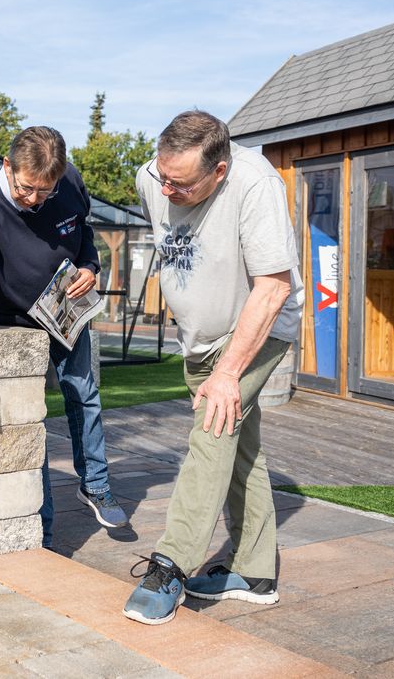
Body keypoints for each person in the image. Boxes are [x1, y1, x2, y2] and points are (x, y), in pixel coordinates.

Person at [123, 110, 303, 625]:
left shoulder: (256, 185)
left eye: (180, 184)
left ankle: (171, 565)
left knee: (212, 429)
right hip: (199, 341)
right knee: (240, 448)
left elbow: (273, 287)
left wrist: (227, 373)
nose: (166, 190)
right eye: (162, 177)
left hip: (256, 332)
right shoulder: (152, 177)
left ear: (218, 171)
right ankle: (255, 571)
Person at [0, 125, 128, 547]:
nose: (34, 200)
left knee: (83, 391)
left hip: (65, 308)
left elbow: (84, 232)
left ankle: (95, 483)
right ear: (7, 166)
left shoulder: (67, 182)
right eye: (26, 188)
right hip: (13, 317)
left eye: (44, 191)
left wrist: (90, 266)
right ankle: (45, 529)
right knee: (35, 416)